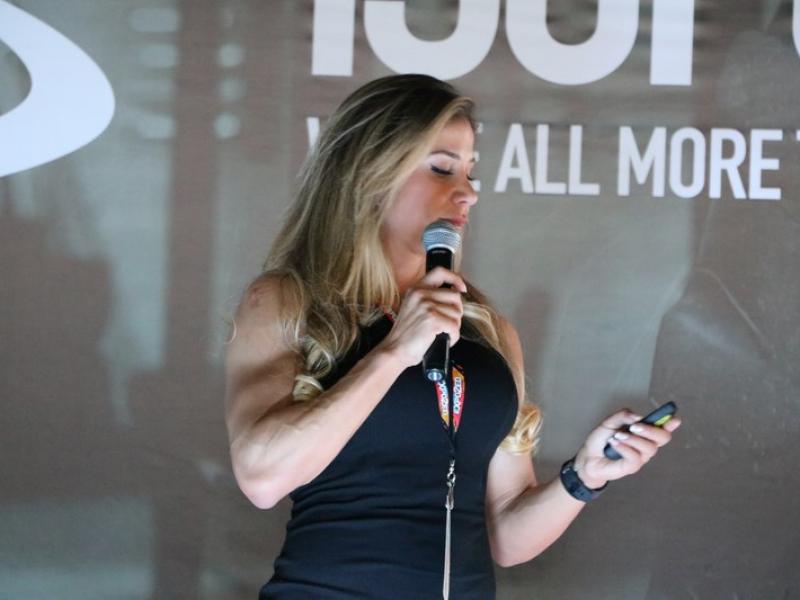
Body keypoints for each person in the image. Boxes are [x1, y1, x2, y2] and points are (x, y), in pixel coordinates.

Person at [224, 73, 682, 599]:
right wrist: (395, 352)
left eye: (470, 171)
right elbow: (261, 478)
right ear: (370, 172)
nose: (468, 192)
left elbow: (505, 535)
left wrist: (584, 475)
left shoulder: (488, 331)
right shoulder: (288, 302)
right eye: (442, 168)